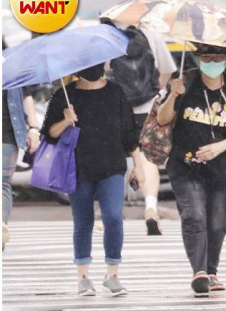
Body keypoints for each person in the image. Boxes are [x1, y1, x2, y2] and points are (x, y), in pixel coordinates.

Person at [41, 62, 146, 297]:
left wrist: (138, 167)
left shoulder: (115, 92)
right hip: (77, 168)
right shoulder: (65, 95)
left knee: (113, 217)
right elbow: (49, 133)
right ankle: (83, 277)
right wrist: (66, 121)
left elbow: (130, 135)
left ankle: (112, 274)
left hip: (112, 167)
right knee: (83, 221)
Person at [156, 44, 226, 295]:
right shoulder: (185, 81)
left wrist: (219, 147)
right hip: (185, 165)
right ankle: (199, 271)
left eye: (217, 58)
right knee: (194, 214)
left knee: (218, 221)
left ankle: (212, 271)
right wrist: (172, 96)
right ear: (198, 58)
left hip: (221, 168)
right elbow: (163, 118)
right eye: (206, 57)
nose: (211, 62)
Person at [103, 19, 178, 236]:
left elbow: (100, 73)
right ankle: (151, 207)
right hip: (147, 106)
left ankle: (112, 214)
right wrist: (155, 92)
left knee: (116, 161)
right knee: (147, 159)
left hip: (115, 107)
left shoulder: (106, 34)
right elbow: (167, 69)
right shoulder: (149, 32)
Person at [2, 84, 40, 251]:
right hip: (8, 136)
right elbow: (26, 95)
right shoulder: (14, 60)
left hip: (8, 135)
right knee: (2, 184)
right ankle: (1, 221)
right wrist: (33, 129)